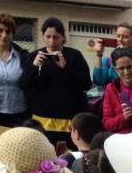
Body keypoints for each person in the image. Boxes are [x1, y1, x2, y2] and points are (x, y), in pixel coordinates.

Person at [20, 18, 92, 148]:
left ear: (63, 37)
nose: (52, 41)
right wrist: (34, 66)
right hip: (42, 123)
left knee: (67, 159)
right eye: (48, 36)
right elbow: (23, 84)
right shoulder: (34, 56)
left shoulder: (74, 56)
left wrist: (66, 68)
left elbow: (86, 84)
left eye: (56, 37)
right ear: (43, 36)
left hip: (69, 124)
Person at [92, 22, 132, 88]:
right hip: (109, 97)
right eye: (118, 36)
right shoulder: (106, 61)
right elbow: (98, 81)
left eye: (125, 37)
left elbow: (129, 82)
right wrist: (99, 55)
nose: (120, 39)